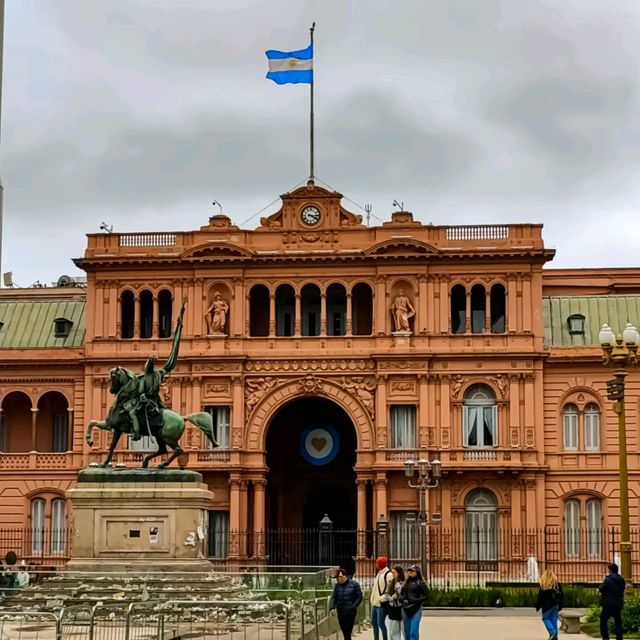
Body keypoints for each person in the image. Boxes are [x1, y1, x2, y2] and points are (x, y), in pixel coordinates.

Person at [329, 567, 363, 640]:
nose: (337, 579)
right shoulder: (337, 586)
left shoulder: (354, 584)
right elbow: (334, 597)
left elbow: (359, 597)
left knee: (348, 630)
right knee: (344, 630)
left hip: (351, 612)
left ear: (343, 576)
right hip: (341, 611)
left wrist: (353, 606)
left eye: (338, 577)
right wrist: (332, 607)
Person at [599, 563, 626, 640]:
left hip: (608, 604)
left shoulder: (608, 580)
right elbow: (622, 589)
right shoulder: (621, 579)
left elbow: (602, 589)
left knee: (603, 620)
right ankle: (619, 637)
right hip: (618, 603)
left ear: (610, 570)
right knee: (618, 621)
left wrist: (600, 587)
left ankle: (605, 636)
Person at [400, 564, 427, 640]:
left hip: (416, 609)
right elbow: (401, 594)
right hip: (405, 609)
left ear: (417, 572)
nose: (410, 572)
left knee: (413, 631)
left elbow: (426, 596)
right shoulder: (405, 583)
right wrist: (401, 599)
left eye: (412, 570)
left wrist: (415, 600)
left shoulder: (420, 583)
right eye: (408, 570)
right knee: (407, 632)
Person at [535, 569, 563, 640]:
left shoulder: (543, 586)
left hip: (547, 606)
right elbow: (562, 595)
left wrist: (537, 606)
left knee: (545, 618)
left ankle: (553, 632)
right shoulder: (556, 584)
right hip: (555, 605)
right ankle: (555, 637)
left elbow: (540, 598)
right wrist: (560, 605)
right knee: (554, 620)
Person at [370, 556, 393, 640]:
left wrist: (381, 598)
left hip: (381, 604)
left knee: (381, 624)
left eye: (377, 563)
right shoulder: (379, 573)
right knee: (374, 623)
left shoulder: (388, 574)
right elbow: (375, 588)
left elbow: (390, 589)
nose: (376, 565)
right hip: (375, 603)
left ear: (380, 564)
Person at [386, 565, 405, 640]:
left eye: (394, 572)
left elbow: (405, 595)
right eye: (392, 572)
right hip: (393, 608)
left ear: (399, 573)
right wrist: (391, 598)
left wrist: (399, 589)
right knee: (393, 631)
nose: (392, 574)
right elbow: (386, 594)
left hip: (402, 608)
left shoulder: (404, 583)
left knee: (405, 630)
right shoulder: (390, 583)